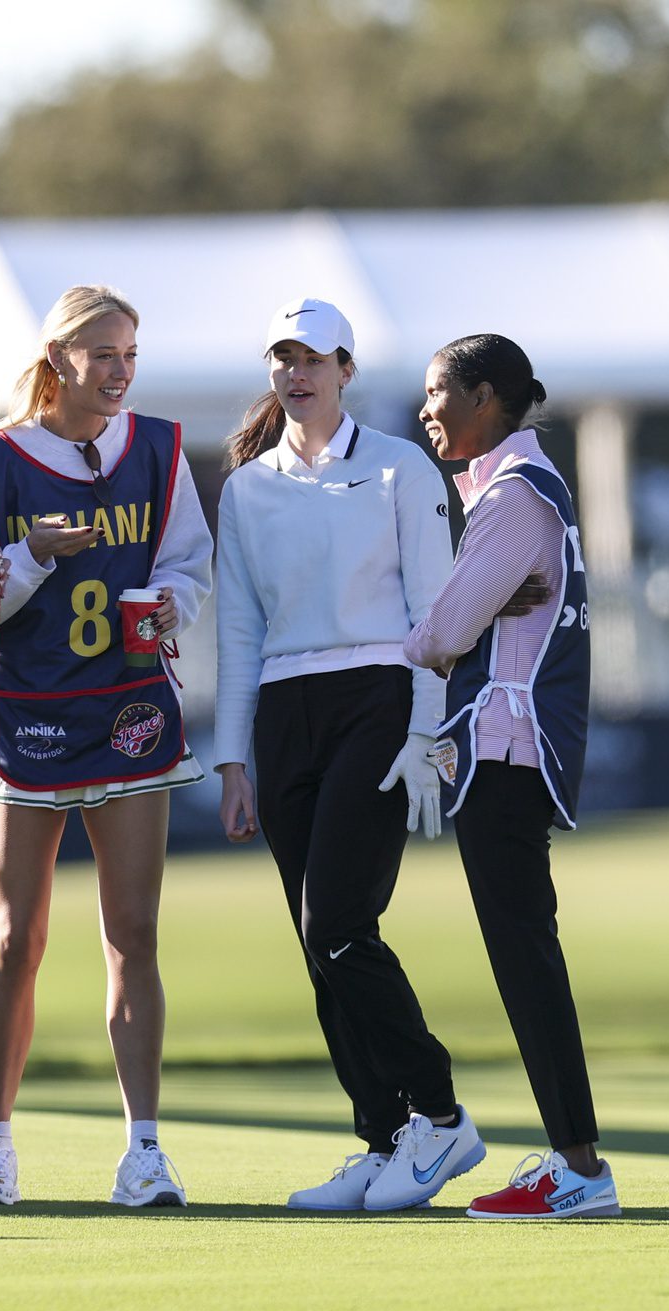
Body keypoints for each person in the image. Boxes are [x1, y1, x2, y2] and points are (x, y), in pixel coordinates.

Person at [0, 284, 214, 1209]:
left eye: (129, 353)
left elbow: (188, 561)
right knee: (16, 938)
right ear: (56, 360)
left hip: (132, 710)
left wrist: (174, 599)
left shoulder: (160, 449)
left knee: (132, 932)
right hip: (26, 715)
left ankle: (143, 1149)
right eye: (102, 354)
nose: (119, 370)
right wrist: (31, 557)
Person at [212, 298, 485, 1212]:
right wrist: (231, 759)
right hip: (284, 712)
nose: (298, 373)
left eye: (314, 358)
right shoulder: (248, 487)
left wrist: (422, 731)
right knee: (312, 936)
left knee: (337, 919)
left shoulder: (402, 469)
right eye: (283, 358)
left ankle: (439, 1115)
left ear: (345, 370)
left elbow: (434, 611)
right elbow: (240, 629)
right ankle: (381, 1134)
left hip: (377, 697)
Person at [403, 332, 619, 1220]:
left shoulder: (511, 497)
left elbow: (438, 636)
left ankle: (578, 1165)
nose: (425, 411)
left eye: (435, 394)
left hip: (501, 754)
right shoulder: (529, 488)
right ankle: (574, 1158)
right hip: (510, 755)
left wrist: (454, 615)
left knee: (526, 961)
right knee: (527, 957)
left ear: (484, 398)